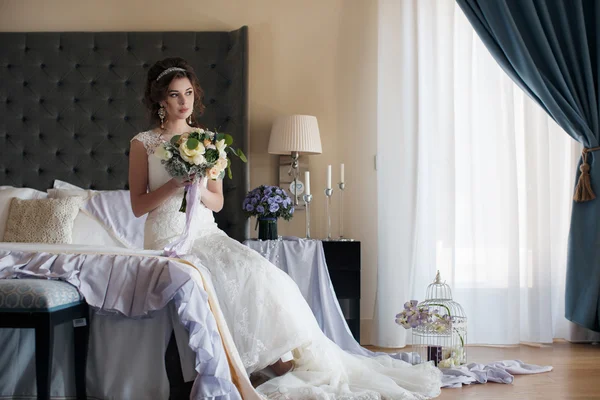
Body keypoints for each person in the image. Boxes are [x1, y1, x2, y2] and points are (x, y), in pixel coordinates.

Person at [129, 57, 442, 399]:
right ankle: (265, 365)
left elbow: (216, 202)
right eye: (175, 95)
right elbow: (138, 205)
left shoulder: (207, 141)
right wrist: (175, 184)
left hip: (206, 231)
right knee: (214, 273)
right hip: (166, 237)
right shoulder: (143, 143)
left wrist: (197, 186)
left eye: (188, 93)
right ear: (160, 99)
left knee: (257, 269)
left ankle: (278, 356)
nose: (183, 101)